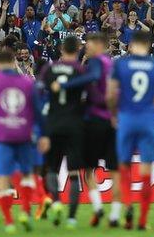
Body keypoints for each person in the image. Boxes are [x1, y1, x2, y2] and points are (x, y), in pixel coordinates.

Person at [50, 33, 121, 227]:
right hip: (112, 122)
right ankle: (114, 215)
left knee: (88, 169)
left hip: (94, 121)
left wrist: (65, 84)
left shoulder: (96, 62)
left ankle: (98, 208)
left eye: (87, 44)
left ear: (98, 44)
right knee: (114, 169)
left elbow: (93, 77)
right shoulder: (113, 64)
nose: (85, 47)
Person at [106, 30, 154, 230]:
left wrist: (114, 115)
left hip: (126, 119)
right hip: (147, 120)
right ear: (150, 45)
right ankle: (143, 220)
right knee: (145, 169)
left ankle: (127, 206)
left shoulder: (121, 64)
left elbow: (110, 95)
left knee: (124, 166)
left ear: (131, 45)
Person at [0, 48, 45, 233]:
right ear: (14, 61)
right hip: (24, 134)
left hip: (1, 136)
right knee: (25, 174)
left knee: (3, 176)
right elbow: (37, 111)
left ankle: (8, 220)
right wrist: (43, 135)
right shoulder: (26, 81)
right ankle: (25, 210)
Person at [39, 36, 85, 229]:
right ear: (77, 51)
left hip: (53, 122)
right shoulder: (80, 70)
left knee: (51, 168)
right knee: (74, 173)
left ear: (61, 49)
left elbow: (39, 92)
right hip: (74, 123)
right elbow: (86, 98)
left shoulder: (49, 69)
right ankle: (72, 218)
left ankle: (56, 201)